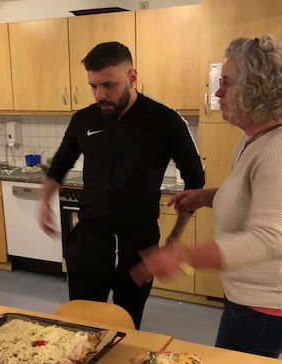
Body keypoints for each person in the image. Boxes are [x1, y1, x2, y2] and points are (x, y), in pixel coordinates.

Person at [140, 35, 282, 357]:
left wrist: (183, 258)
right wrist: (208, 197)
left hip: (272, 299)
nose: (218, 93)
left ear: (258, 89)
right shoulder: (256, 138)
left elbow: (266, 239)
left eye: (227, 84)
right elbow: (253, 196)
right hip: (252, 292)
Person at [38, 42, 205, 329]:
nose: (100, 95)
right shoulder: (83, 119)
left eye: (108, 85)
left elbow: (195, 182)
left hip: (138, 247)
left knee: (127, 326)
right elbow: (59, 167)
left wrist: (174, 238)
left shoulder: (165, 121)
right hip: (89, 244)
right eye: (93, 86)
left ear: (132, 77)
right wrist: (44, 201)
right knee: (81, 325)